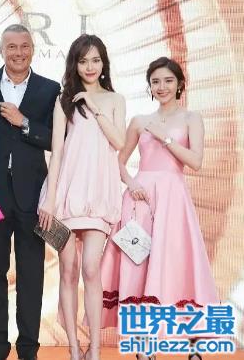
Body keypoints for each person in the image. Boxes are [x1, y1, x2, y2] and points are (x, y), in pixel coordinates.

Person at [100, 57, 219, 360]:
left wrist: (164, 138)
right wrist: (131, 183)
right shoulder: (139, 121)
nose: (162, 86)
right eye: (155, 81)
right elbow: (119, 162)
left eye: (168, 80)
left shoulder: (192, 118)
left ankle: (193, 342)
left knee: (178, 264)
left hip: (173, 200)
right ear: (149, 86)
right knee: (138, 266)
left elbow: (195, 162)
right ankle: (144, 344)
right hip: (139, 201)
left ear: (180, 84)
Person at [0, 24, 60, 360]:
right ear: (1, 50)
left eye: (24, 46)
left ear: (33, 50)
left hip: (33, 194)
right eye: (11, 47)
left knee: (31, 275)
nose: (18, 53)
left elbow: (57, 140)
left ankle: (28, 349)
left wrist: (24, 122)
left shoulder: (49, 89)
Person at [38, 34, 126, 360]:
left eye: (95, 60)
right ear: (74, 64)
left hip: (98, 195)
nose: (90, 67)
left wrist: (93, 106)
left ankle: (96, 349)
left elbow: (119, 142)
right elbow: (57, 152)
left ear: (104, 63)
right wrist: (50, 199)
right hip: (66, 195)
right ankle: (74, 348)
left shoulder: (114, 100)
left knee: (91, 268)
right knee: (68, 270)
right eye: (83, 60)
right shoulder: (64, 101)